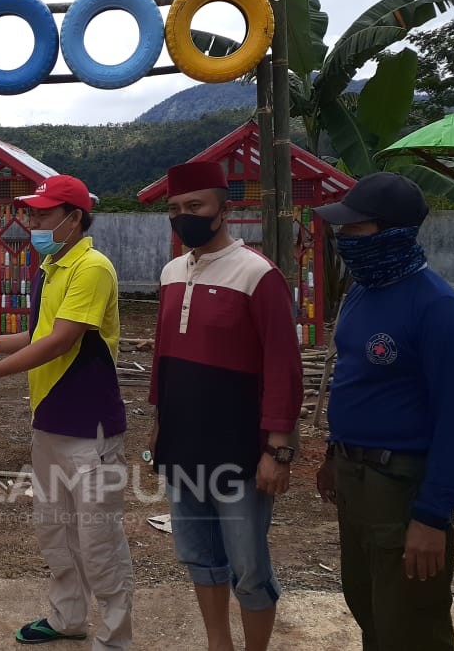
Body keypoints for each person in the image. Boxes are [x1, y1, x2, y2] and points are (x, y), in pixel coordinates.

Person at [0, 175, 134, 650]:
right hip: (50, 423)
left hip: (90, 429)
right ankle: (67, 620)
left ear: (74, 218)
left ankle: (115, 638)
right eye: (31, 213)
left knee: (99, 541)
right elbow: (38, 334)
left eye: (42, 214)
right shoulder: (51, 268)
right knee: (56, 531)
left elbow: (63, 340)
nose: (32, 222)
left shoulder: (91, 268)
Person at [313, 172, 454, 651]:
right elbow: (354, 380)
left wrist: (431, 519)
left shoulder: (440, 310)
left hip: (402, 485)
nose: (342, 239)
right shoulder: (363, 292)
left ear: (393, 233)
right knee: (368, 604)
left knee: (410, 623)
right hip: (354, 477)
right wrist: (332, 454)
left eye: (354, 228)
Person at [147, 160, 303, 651]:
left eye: (194, 206)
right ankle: (219, 644)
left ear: (224, 209)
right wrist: (158, 423)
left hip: (239, 448)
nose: (183, 216)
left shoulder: (258, 274)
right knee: (198, 556)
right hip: (183, 443)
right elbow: (162, 356)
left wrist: (277, 449)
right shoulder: (171, 273)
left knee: (249, 567)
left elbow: (284, 366)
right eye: (175, 209)